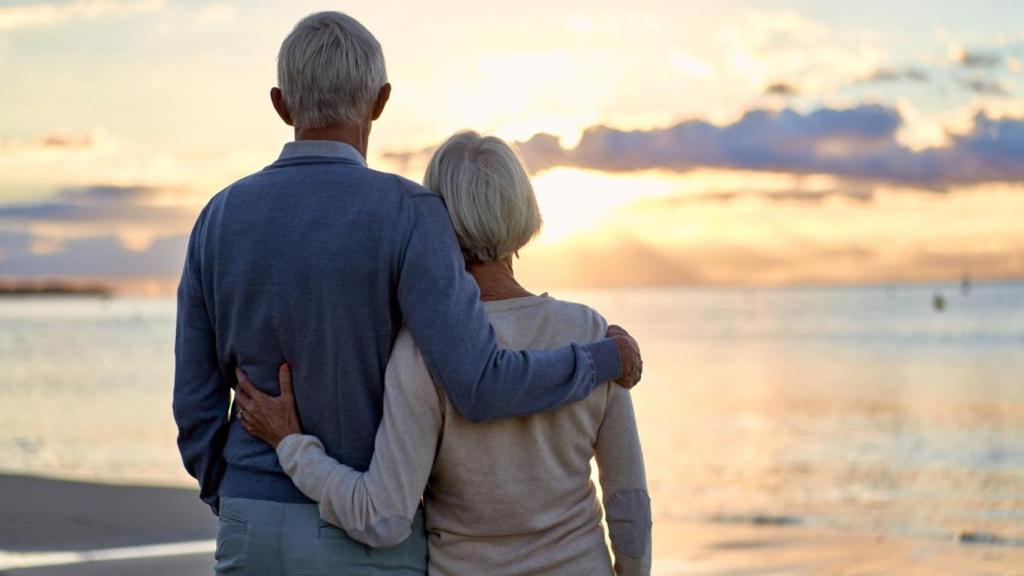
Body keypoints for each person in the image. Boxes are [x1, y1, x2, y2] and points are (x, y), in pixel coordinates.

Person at [172, 11, 643, 576]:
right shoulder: (410, 214)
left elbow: (194, 401)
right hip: (360, 538)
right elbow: (478, 381)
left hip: (251, 521)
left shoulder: (217, 218)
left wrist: (233, 497)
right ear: (380, 101)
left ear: (281, 104)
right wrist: (601, 358)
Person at [234, 132, 651, 576]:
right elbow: (628, 502)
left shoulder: (423, 349)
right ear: (524, 209)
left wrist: (292, 446)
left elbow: (383, 517)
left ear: (437, 222)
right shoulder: (591, 333)